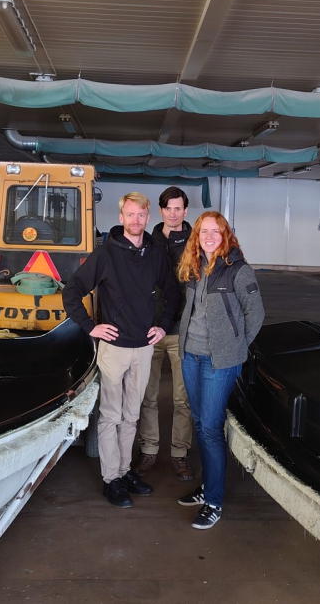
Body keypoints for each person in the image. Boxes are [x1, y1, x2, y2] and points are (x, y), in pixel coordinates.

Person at [63, 191, 180, 508]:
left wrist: (163, 325)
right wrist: (91, 327)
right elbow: (72, 291)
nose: (136, 220)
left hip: (143, 348)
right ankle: (110, 480)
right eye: (130, 214)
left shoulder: (155, 255)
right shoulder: (105, 255)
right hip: (114, 348)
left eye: (141, 215)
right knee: (111, 415)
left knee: (131, 415)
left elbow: (172, 292)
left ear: (147, 217)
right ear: (121, 218)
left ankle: (125, 471)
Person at [174, 211, 263, 529]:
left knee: (211, 428)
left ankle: (213, 501)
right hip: (190, 355)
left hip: (218, 362)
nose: (209, 236)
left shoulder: (238, 270)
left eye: (216, 231)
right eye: (203, 231)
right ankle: (208, 486)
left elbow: (255, 314)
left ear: (226, 235)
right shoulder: (194, 266)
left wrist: (234, 348)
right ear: (196, 236)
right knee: (200, 424)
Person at [133, 187, 195, 482]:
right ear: (160, 211)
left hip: (184, 329)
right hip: (150, 330)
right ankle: (148, 450)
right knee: (148, 395)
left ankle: (180, 454)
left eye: (178, 208)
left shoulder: (197, 243)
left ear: (185, 211)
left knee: (183, 399)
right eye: (168, 208)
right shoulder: (147, 241)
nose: (173, 214)